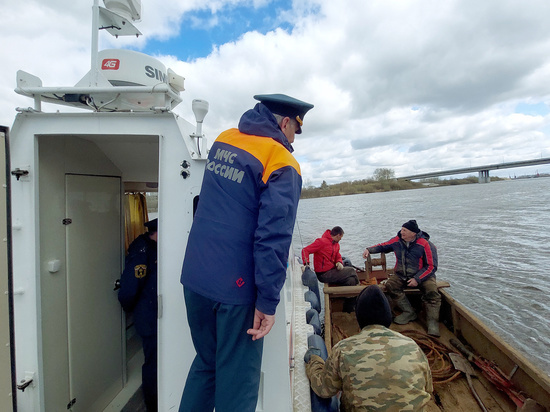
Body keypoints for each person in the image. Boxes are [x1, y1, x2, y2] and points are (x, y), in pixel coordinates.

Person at [179, 94, 314, 412]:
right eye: (295, 129)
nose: (294, 138)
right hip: (235, 293)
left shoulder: (224, 139)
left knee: (207, 365)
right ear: (284, 122)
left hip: (195, 280)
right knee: (238, 386)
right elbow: (273, 238)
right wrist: (267, 302)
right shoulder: (281, 160)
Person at [304, 285, 433, 411]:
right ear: (388, 317)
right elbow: (428, 389)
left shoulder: (343, 349)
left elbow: (324, 389)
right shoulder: (413, 347)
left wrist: (313, 361)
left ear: (360, 319)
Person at [362, 219, 441, 336]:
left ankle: (433, 323)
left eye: (405, 230)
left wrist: (417, 279)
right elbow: (383, 246)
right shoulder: (397, 240)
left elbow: (431, 266)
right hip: (401, 275)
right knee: (391, 286)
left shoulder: (426, 244)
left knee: (432, 292)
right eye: (402, 229)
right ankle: (409, 312)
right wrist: (369, 249)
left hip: (423, 276)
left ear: (413, 233)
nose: (401, 232)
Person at [118, 218, 158, 412]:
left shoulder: (151, 248)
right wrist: (128, 307)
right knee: (153, 362)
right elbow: (130, 288)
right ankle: (153, 405)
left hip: (152, 313)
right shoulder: (142, 252)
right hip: (148, 316)